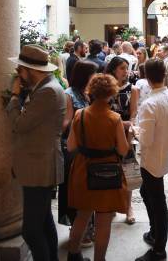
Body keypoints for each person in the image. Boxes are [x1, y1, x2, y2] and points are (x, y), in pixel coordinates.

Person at [7, 45, 66, 261]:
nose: (18, 75)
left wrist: (14, 97)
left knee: (31, 231)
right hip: (38, 164)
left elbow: (20, 124)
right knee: (44, 223)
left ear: (31, 69)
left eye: (20, 70)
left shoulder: (47, 91)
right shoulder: (46, 86)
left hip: (39, 166)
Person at [67, 74, 134, 261]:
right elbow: (122, 150)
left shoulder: (79, 115)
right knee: (104, 221)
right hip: (107, 172)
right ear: (111, 93)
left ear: (92, 91)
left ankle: (73, 255)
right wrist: (129, 137)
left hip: (83, 169)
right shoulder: (115, 118)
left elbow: (71, 146)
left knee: (82, 216)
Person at [134, 59, 168, 261]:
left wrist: (135, 130)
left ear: (147, 78)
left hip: (151, 159)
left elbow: (145, 141)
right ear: (164, 74)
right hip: (165, 154)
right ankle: (154, 233)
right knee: (146, 192)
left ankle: (159, 249)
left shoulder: (149, 104)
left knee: (158, 201)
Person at [60, 61, 98, 237]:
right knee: (75, 189)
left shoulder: (87, 93)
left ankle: (87, 227)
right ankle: (78, 229)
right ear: (85, 76)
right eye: (93, 75)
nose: (95, 78)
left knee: (88, 189)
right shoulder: (69, 94)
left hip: (88, 147)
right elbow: (65, 124)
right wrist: (82, 118)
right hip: (74, 149)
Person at [105, 56, 140, 224]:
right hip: (109, 133)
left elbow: (133, 113)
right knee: (110, 170)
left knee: (129, 172)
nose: (126, 71)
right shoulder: (106, 88)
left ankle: (128, 207)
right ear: (113, 70)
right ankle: (111, 205)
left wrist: (129, 132)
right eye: (122, 68)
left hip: (126, 133)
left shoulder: (132, 89)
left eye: (127, 68)